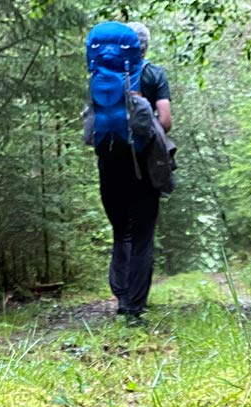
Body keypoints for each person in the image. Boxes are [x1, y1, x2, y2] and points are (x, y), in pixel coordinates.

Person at [97, 21, 171, 323]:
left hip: (110, 163)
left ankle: (121, 297)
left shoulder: (103, 75)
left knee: (120, 232)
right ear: (146, 45)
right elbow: (165, 121)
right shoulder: (154, 74)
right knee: (142, 234)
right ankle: (134, 308)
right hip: (144, 166)